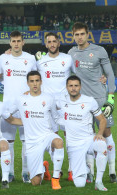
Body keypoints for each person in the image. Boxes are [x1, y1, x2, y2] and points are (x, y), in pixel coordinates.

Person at [68, 22, 117, 183]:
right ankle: (89, 171)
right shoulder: (71, 53)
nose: (80, 37)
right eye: (77, 34)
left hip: (100, 100)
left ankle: (112, 171)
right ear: (73, 36)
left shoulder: (99, 50)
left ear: (87, 34)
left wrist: (110, 98)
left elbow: (109, 74)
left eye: (82, 34)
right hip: (82, 103)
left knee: (107, 134)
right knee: (87, 137)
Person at [0, 30, 37, 183]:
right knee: (8, 141)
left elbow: (35, 79)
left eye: (19, 41)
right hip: (8, 106)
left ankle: (25, 172)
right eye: (13, 41)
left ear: (23, 42)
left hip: (26, 106)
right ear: (10, 43)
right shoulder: (4, 58)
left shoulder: (30, 58)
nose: (16, 44)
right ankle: (9, 173)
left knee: (26, 141)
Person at [6, 71, 64, 190]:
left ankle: (55, 179)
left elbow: (56, 117)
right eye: (32, 81)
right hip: (32, 142)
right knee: (35, 182)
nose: (35, 84)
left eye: (37, 80)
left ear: (41, 82)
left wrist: (71, 124)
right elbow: (8, 116)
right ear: (27, 83)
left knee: (59, 142)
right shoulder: (21, 99)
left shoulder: (49, 98)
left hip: (47, 135)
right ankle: (44, 169)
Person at [56, 75, 108, 191]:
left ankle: (98, 182)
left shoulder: (89, 101)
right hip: (73, 145)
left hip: (89, 139)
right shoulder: (61, 101)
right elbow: (48, 105)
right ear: (66, 87)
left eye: (76, 85)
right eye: (71, 86)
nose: (73, 88)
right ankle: (86, 169)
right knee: (79, 184)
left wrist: (99, 134)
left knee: (101, 145)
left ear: (80, 87)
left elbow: (102, 119)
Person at [36, 32, 75, 181]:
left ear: (59, 43)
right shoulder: (40, 62)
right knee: (53, 138)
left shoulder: (67, 59)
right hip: (48, 107)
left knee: (70, 137)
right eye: (49, 42)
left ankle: (72, 169)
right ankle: (55, 170)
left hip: (66, 105)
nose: (52, 44)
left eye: (54, 41)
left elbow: (77, 77)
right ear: (46, 44)